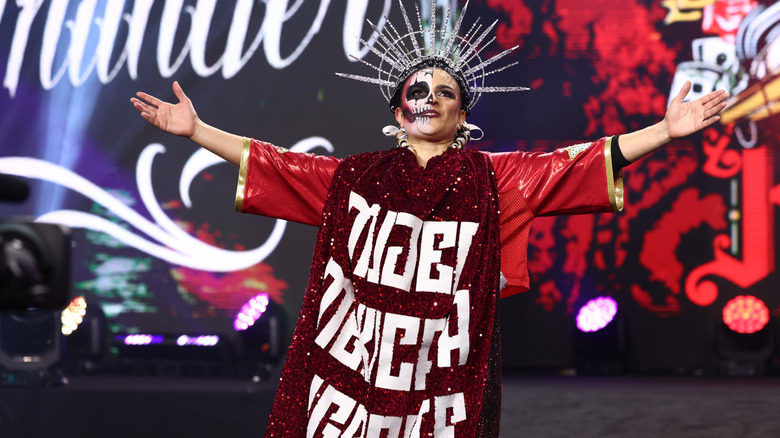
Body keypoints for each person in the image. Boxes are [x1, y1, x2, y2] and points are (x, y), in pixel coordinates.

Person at [131, 4, 728, 437]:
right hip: (354, 369)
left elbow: (579, 162)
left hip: (444, 374)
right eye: (418, 88)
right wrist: (198, 132)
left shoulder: (497, 178)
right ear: (397, 109)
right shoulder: (355, 177)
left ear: (462, 113)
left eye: (445, 90)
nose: (429, 96)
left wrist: (665, 131)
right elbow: (275, 165)